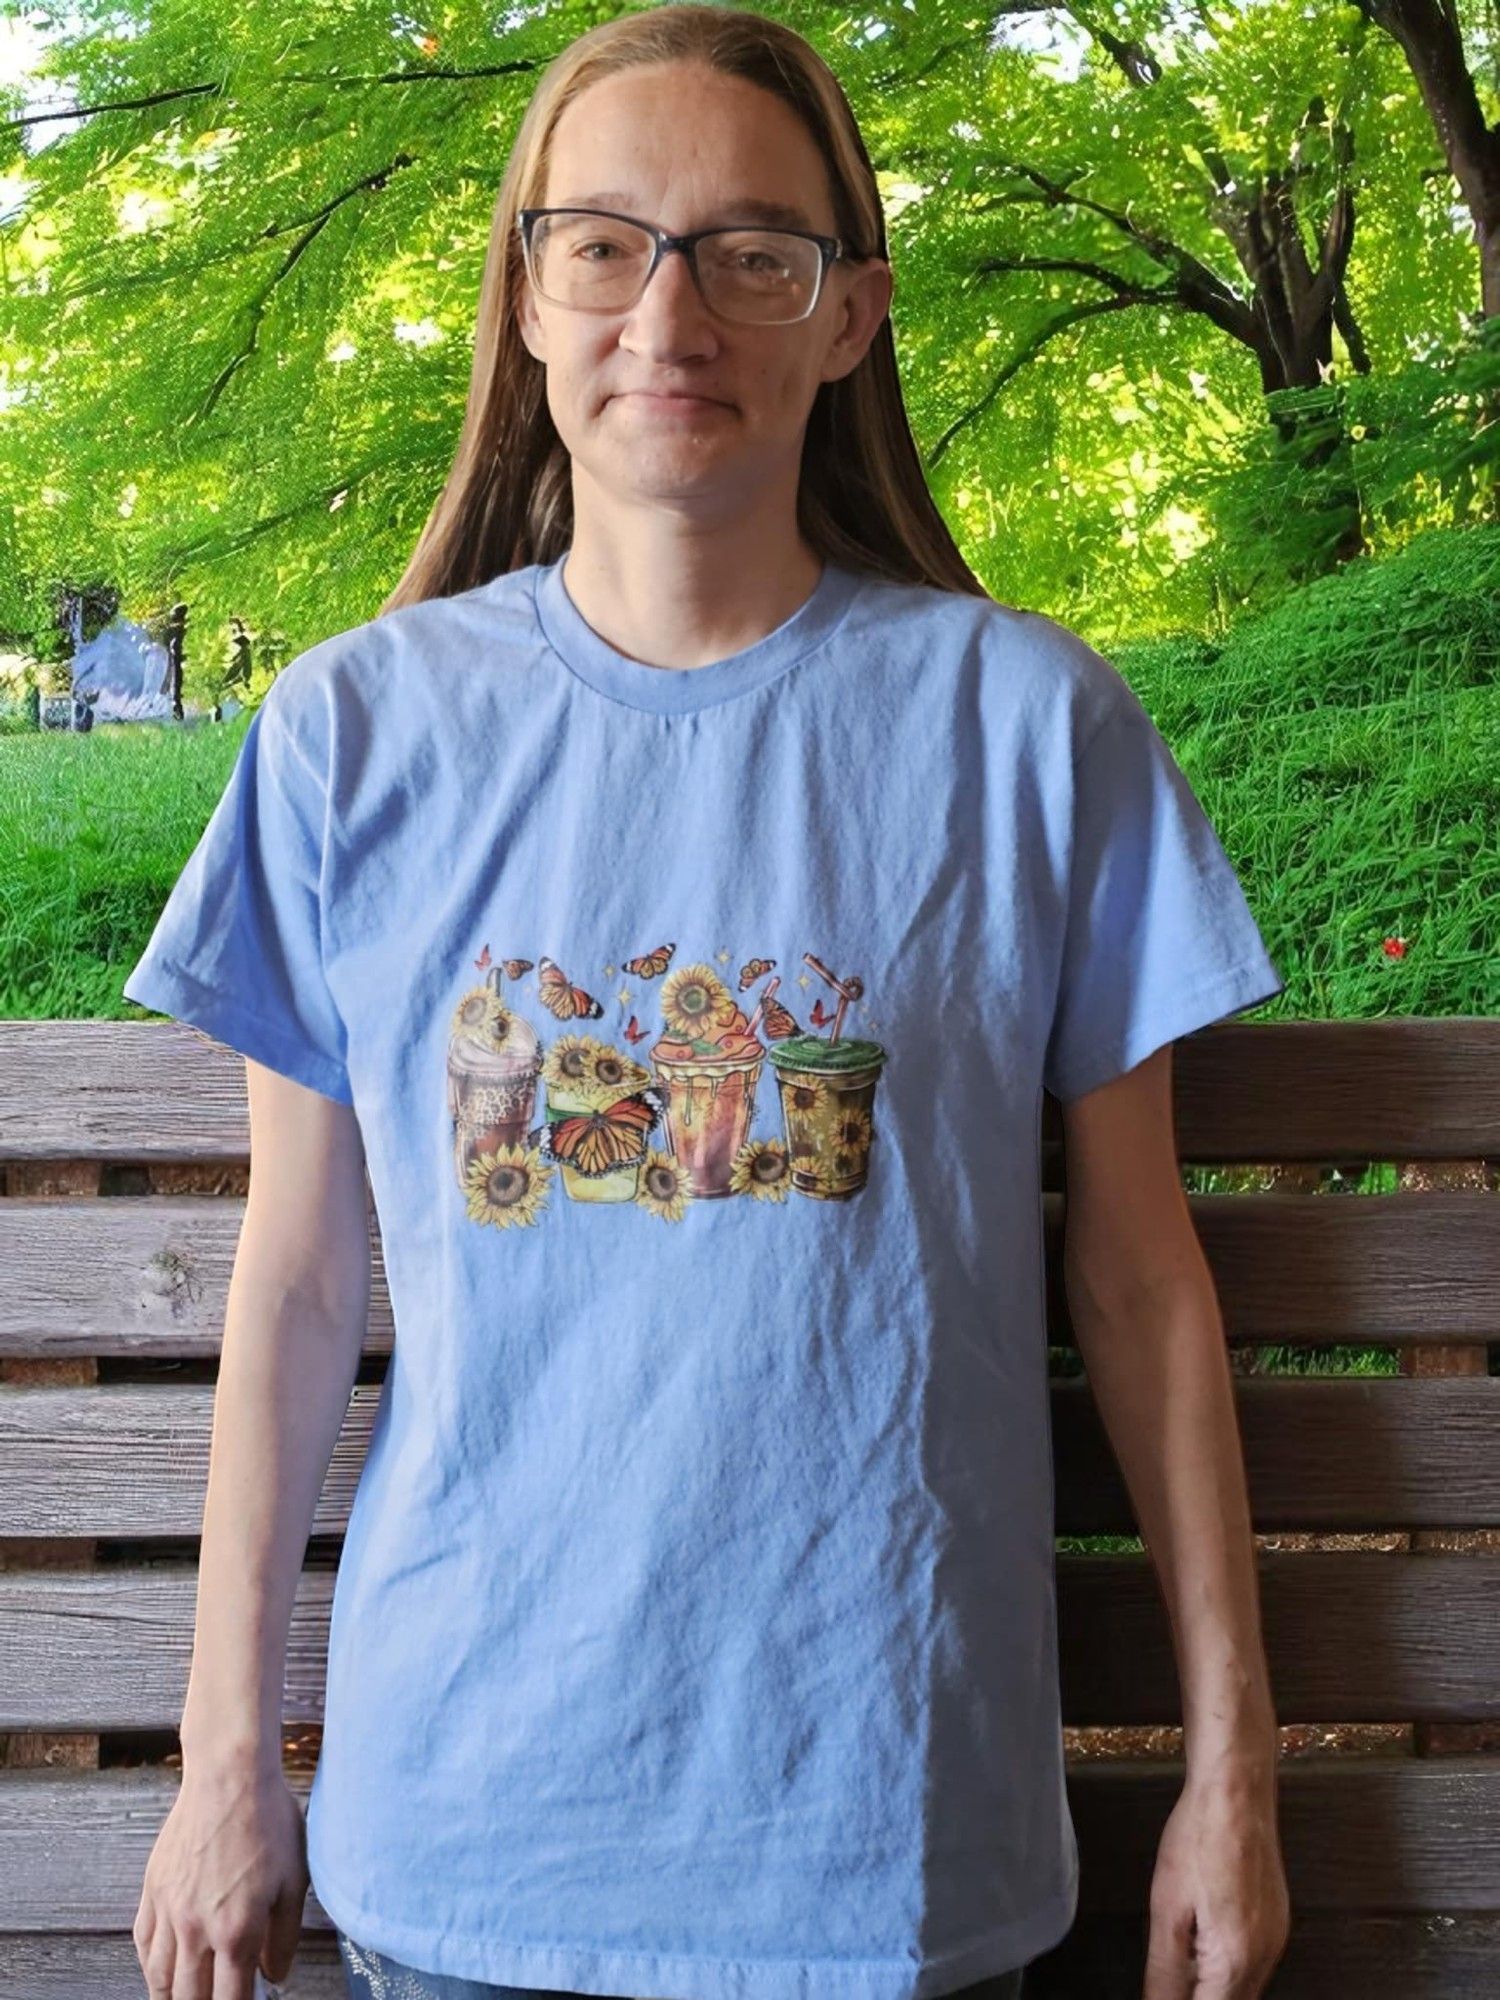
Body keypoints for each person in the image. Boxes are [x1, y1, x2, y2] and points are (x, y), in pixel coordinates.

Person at [123, 7, 1293, 2000]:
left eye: (756, 252)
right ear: (527, 294)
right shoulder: (347, 738)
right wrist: (220, 1760)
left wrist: (1233, 1769)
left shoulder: (1029, 729)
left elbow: (1142, 1283)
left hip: (892, 1850)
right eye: (608, 243)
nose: (674, 313)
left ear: (847, 316)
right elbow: (301, 1283)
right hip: (472, 1837)